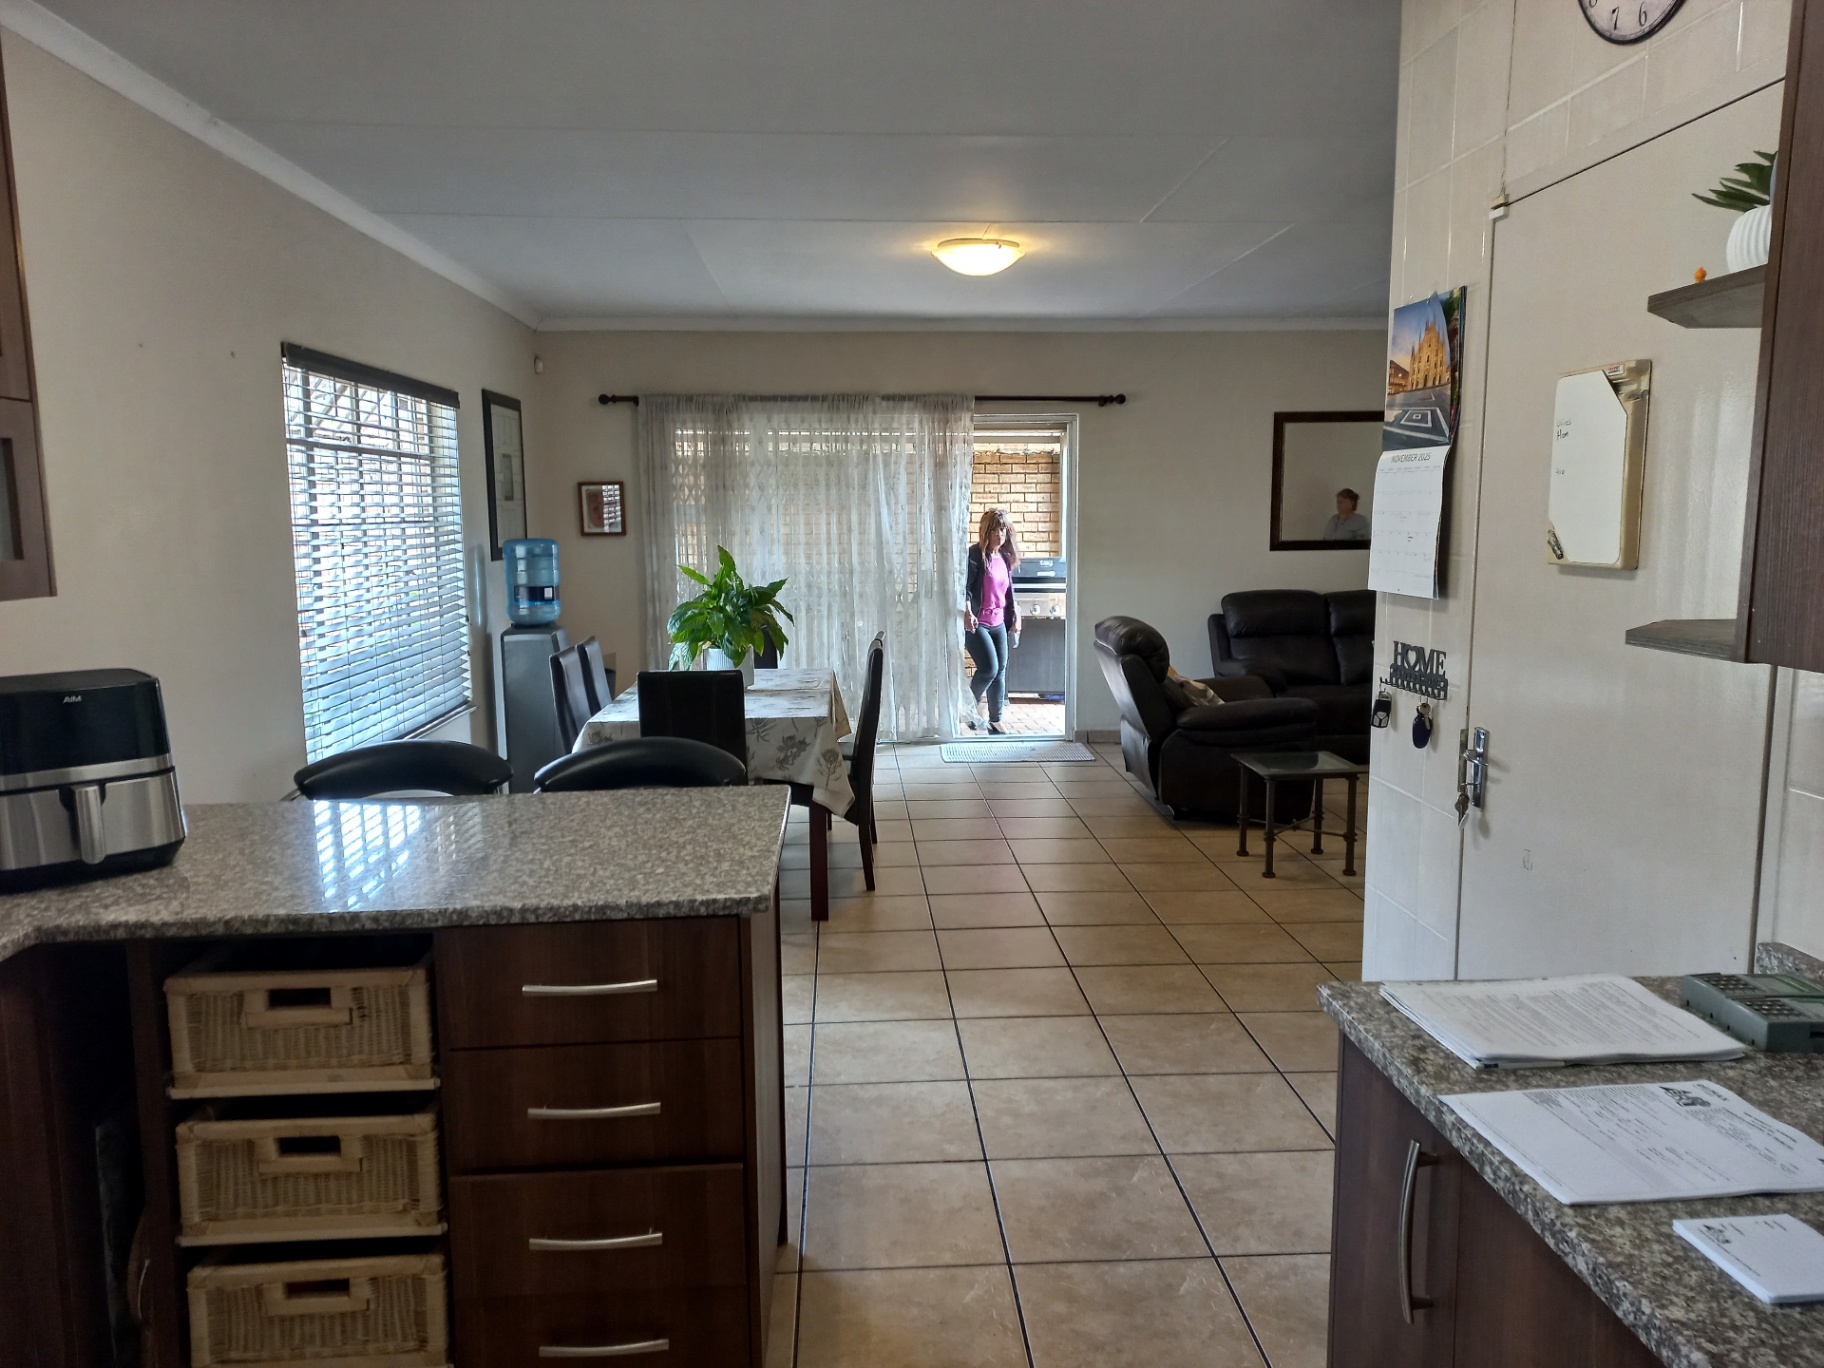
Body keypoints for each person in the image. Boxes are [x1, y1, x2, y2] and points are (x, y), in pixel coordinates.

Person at [964, 509, 1021, 734]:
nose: (1000, 535)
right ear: (985, 531)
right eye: (995, 530)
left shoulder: (1004, 558)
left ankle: (996, 721)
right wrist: (967, 612)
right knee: (989, 668)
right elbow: (966, 588)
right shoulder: (974, 555)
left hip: (999, 623)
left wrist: (1016, 615)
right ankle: (968, 709)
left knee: (1000, 671)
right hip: (977, 623)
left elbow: (1008, 591)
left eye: (1003, 530)